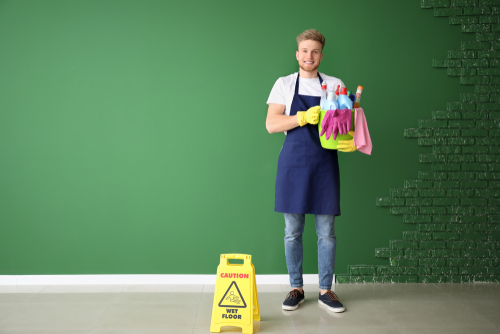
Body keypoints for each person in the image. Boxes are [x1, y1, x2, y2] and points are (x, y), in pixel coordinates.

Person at [266, 29, 355, 313]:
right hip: (293, 164)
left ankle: (326, 290)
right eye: (305, 51)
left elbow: (344, 123)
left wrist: (349, 132)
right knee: (292, 231)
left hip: (324, 165)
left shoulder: (334, 84)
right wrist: (302, 117)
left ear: (321, 55)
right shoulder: (284, 84)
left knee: (326, 232)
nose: (309, 56)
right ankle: (296, 288)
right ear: (297, 54)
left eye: (315, 51)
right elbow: (272, 124)